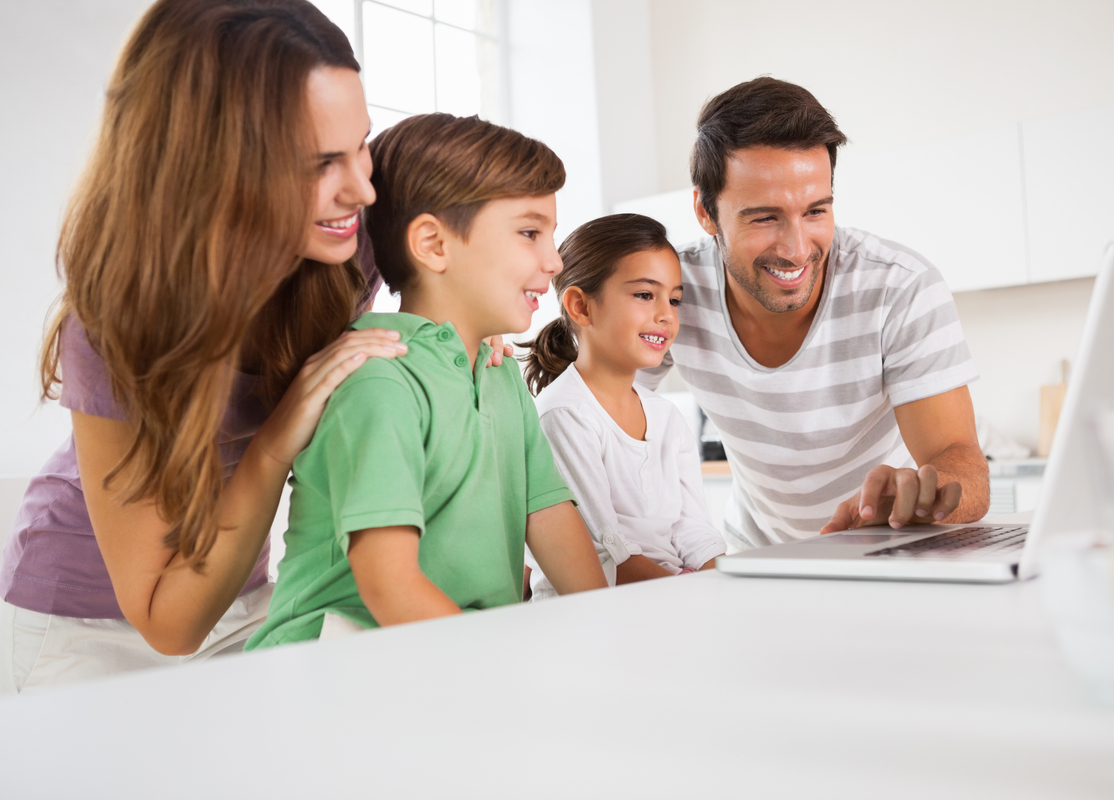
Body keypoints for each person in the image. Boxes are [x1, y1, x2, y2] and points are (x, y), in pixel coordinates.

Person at [0, 0, 508, 694]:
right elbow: (166, 623)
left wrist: (470, 335)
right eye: (319, 163)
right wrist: (276, 439)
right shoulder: (112, 327)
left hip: (242, 592)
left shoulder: (345, 245)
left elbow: (463, 257)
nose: (362, 188)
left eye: (361, 142)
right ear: (212, 168)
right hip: (87, 625)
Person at [245, 114, 607, 648]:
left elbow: (550, 518)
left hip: (441, 659)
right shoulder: (379, 378)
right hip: (331, 673)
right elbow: (391, 587)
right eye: (530, 233)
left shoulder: (500, 371)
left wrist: (612, 633)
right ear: (434, 245)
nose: (553, 260)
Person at [637, 77, 989, 552]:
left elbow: (961, 461)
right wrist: (497, 344)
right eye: (765, 217)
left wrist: (921, 498)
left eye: (816, 211)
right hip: (758, 556)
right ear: (705, 210)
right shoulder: (674, 290)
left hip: (887, 550)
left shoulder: (899, 286)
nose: (797, 249)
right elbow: (589, 392)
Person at [520, 214, 725, 599]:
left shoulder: (666, 418)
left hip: (668, 600)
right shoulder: (563, 415)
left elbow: (694, 530)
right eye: (645, 295)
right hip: (594, 612)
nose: (666, 314)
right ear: (581, 307)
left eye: (674, 299)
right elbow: (605, 551)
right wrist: (694, 595)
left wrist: (725, 583)